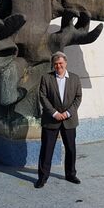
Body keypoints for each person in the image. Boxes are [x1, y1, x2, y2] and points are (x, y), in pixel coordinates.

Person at [35, 51, 82, 188]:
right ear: (53, 65)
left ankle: (70, 174)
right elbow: (42, 96)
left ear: (65, 63)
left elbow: (78, 97)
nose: (58, 66)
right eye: (55, 64)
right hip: (51, 119)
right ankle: (42, 178)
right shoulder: (46, 78)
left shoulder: (75, 78)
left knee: (71, 149)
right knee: (46, 150)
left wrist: (67, 113)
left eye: (61, 63)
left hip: (69, 120)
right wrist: (55, 113)